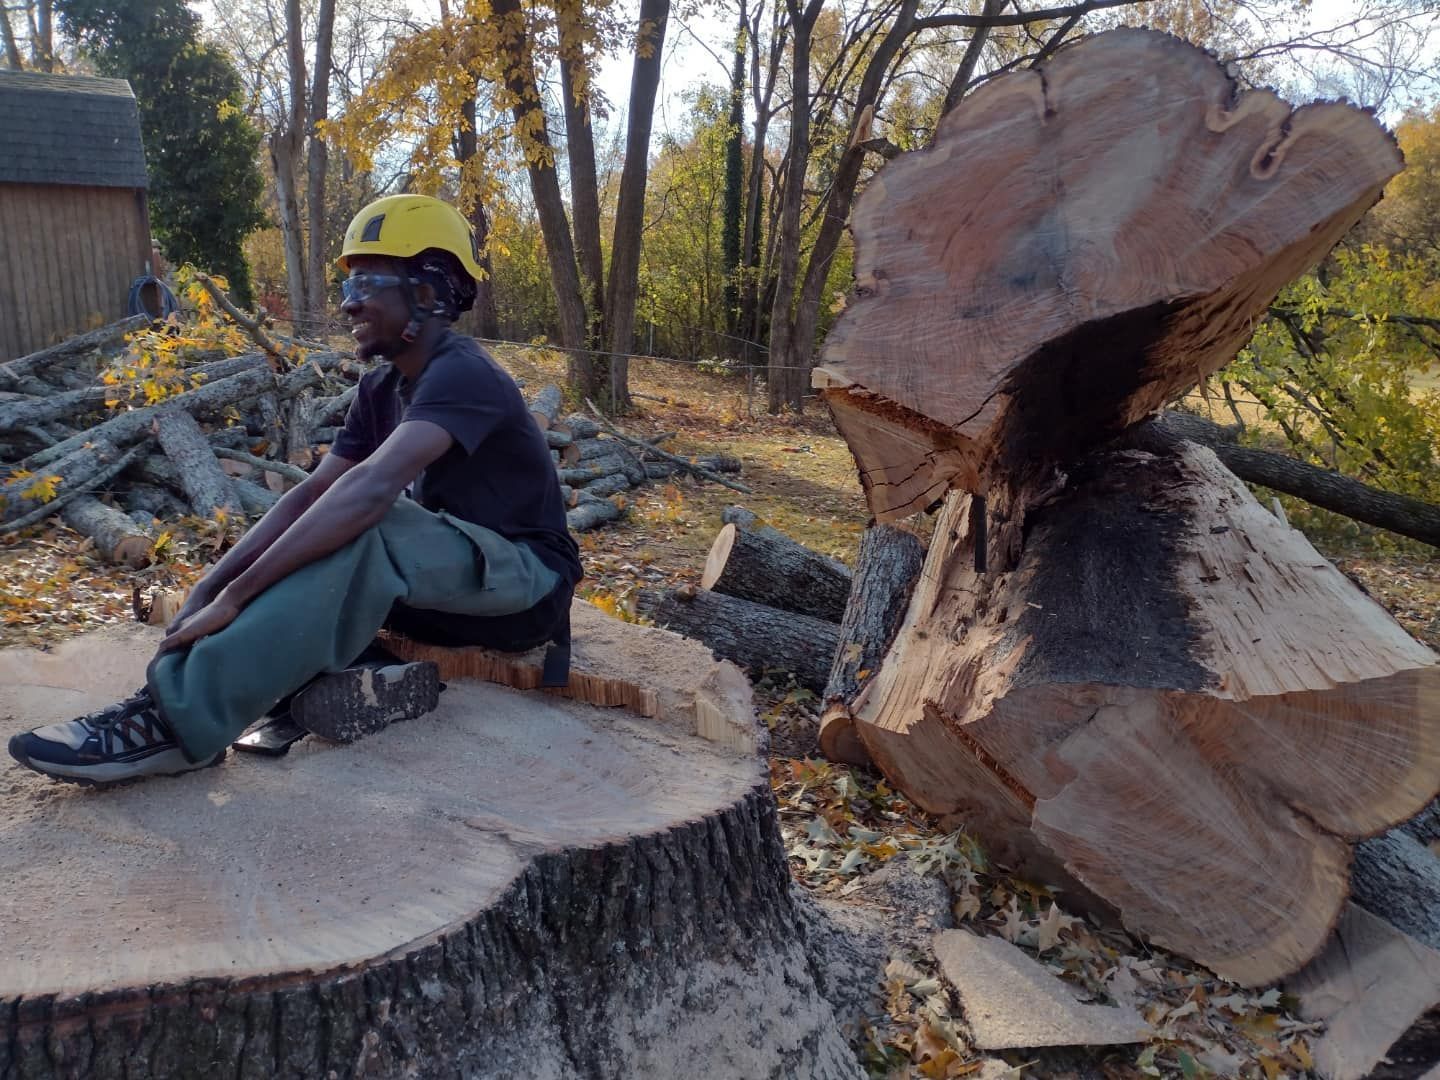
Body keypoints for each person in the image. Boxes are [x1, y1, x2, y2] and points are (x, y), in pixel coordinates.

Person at [8, 194, 582, 786]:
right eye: (347, 286)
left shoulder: (464, 373)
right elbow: (309, 496)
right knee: (322, 529)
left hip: (527, 590)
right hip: (445, 593)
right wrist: (215, 583)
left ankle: (175, 726)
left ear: (429, 293)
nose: (348, 302)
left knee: (366, 522)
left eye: (367, 283)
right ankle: (349, 676)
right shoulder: (381, 387)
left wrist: (239, 595)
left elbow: (368, 492)